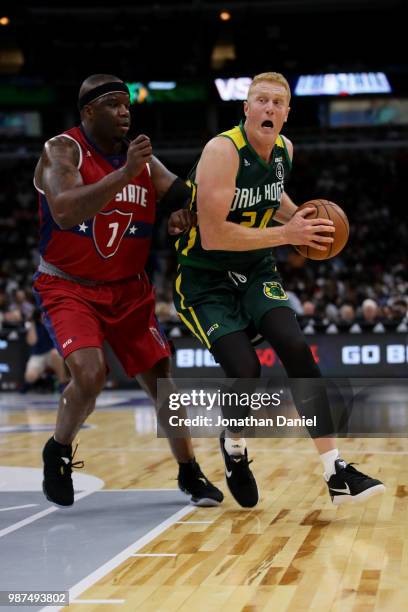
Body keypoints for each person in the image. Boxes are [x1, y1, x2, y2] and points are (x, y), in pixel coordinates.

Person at [174, 72, 385, 508]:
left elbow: (273, 198)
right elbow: (213, 235)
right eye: (261, 101)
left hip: (255, 269)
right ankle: (234, 448)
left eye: (277, 103)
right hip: (204, 277)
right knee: (244, 368)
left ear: (287, 114)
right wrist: (288, 233)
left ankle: (335, 470)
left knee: (294, 345)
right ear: (246, 108)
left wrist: (304, 220)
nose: (269, 109)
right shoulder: (222, 150)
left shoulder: (285, 150)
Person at [33, 74, 223, 508]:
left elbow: (183, 196)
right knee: (90, 373)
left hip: (129, 290)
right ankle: (58, 450)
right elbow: (63, 211)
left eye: (127, 105)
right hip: (69, 285)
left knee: (163, 384)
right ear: (88, 112)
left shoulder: (138, 159)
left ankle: (189, 471)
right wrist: (126, 173)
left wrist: (181, 215)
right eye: (114, 104)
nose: (125, 112)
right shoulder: (62, 150)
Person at [23, 308, 69, 392]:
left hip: (52, 353)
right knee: (30, 377)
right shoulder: (34, 325)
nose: (43, 317)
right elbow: (32, 341)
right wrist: (32, 322)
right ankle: (42, 381)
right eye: (40, 315)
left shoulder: (51, 324)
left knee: (55, 353)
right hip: (38, 355)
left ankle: (62, 383)